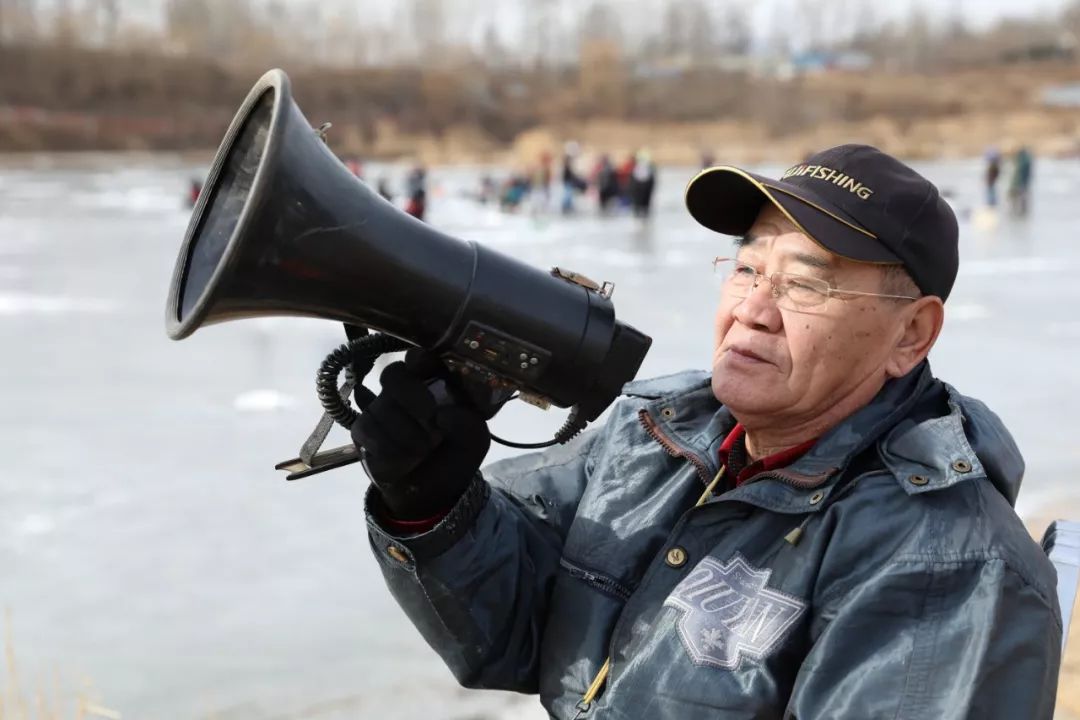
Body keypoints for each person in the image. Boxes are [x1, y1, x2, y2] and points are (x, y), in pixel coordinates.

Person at [353, 145, 1062, 719]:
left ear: (913, 333)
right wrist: (432, 502)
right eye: (748, 267)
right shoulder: (652, 432)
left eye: (807, 284)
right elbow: (516, 637)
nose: (753, 309)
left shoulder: (949, 567)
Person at [1009, 146, 1034, 217]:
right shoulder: (1026, 160)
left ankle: (1018, 213)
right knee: (1021, 201)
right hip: (1022, 184)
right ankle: (1021, 213)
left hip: (1018, 184)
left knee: (1017, 201)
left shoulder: (1022, 161)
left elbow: (1019, 174)